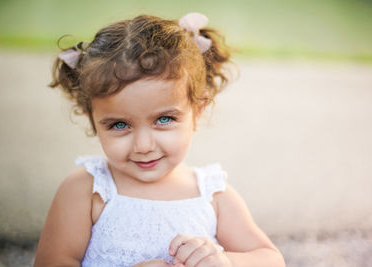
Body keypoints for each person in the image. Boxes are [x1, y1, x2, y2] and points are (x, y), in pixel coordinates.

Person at [34, 12, 285, 267]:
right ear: (92, 120)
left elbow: (271, 259)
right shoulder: (87, 190)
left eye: (164, 120)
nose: (144, 146)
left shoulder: (212, 194)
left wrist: (225, 262)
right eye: (119, 124)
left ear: (197, 111)